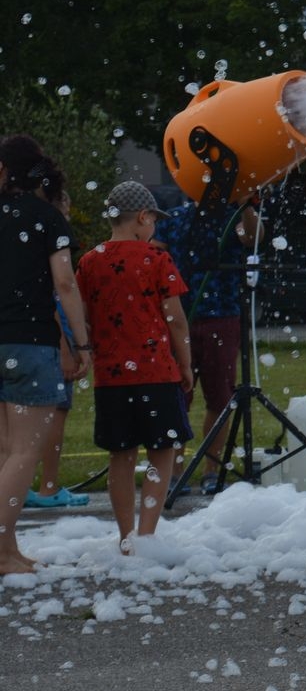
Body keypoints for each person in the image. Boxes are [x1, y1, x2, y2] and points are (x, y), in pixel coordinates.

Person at [75, 181, 194, 553]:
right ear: (142, 218)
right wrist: (186, 363)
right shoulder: (157, 260)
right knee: (162, 451)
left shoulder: (90, 261)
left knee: (121, 455)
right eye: (154, 221)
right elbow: (175, 319)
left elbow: (82, 313)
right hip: (156, 372)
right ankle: (146, 532)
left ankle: (125, 535)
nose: (154, 228)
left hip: (111, 376)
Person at [0, 136, 92, 574]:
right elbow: (65, 283)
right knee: (24, 453)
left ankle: (10, 547)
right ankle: (1, 552)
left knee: (4, 452)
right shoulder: (45, 217)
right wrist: (82, 341)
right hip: (29, 342)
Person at [153, 192, 263, 494]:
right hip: (179, 316)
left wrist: (248, 206)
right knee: (176, 397)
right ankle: (174, 473)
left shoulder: (232, 215)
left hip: (221, 316)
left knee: (220, 397)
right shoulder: (173, 218)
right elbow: (153, 258)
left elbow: (253, 238)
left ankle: (210, 471)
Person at [25, 165, 89, 508]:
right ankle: (48, 486)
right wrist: (69, 347)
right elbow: (55, 294)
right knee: (54, 415)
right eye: (65, 207)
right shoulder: (48, 235)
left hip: (30, 340)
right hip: (49, 340)